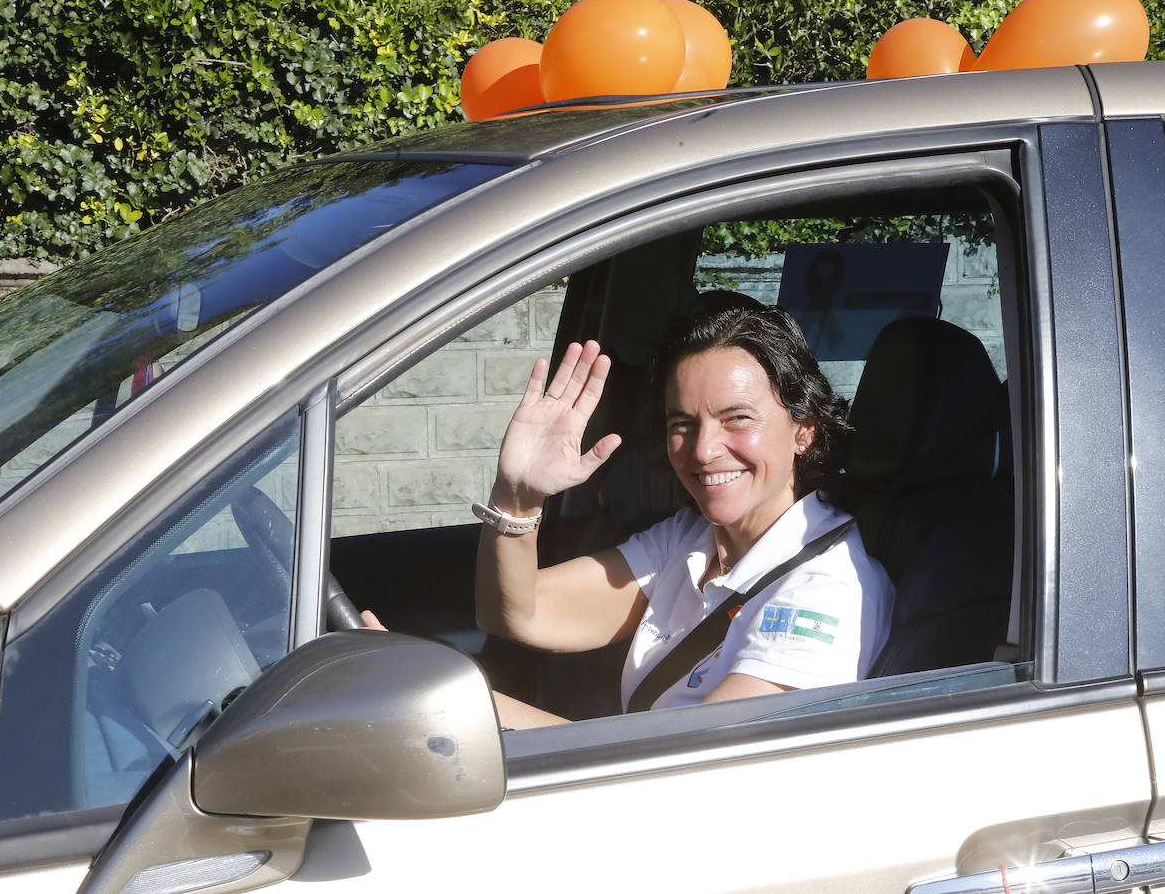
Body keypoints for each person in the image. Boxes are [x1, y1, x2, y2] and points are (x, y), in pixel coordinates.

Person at [368, 298, 894, 728]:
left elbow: (673, 771)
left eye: (737, 418)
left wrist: (443, 697)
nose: (703, 448)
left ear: (805, 430)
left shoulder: (824, 592)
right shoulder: (691, 539)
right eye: (682, 424)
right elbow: (519, 613)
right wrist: (518, 496)